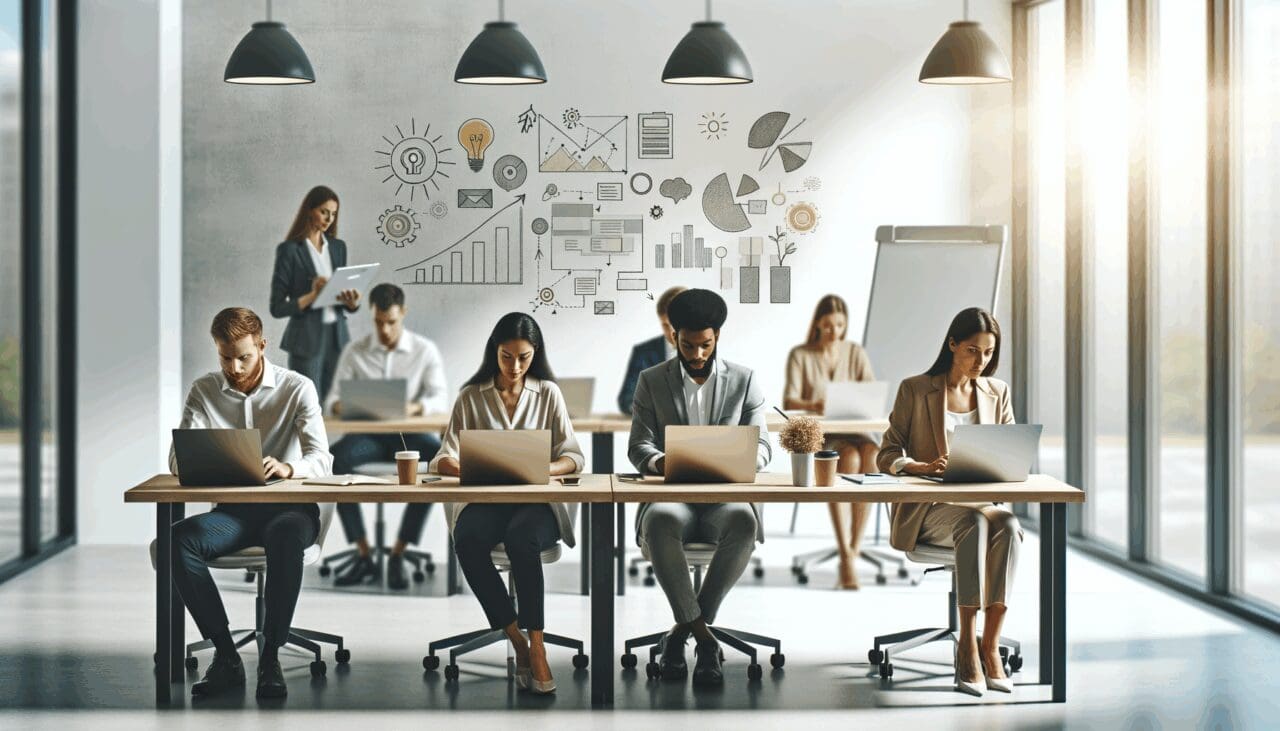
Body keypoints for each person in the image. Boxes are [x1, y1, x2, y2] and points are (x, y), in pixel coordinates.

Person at [167, 307, 333, 699]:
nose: (235, 367)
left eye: (244, 356)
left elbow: (323, 459)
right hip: (234, 514)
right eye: (225, 357)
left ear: (262, 346)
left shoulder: (297, 387)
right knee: (178, 539)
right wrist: (209, 457)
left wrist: (289, 467)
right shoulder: (204, 390)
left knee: (285, 538)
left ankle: (271, 656)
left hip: (290, 509)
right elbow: (177, 462)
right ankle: (226, 655)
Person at [429, 312, 584, 695]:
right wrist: (469, 466)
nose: (515, 367)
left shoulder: (548, 393)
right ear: (493, 352)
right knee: (467, 539)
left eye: (524, 357)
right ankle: (516, 637)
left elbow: (574, 456)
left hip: (535, 503)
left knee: (522, 540)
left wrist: (545, 467)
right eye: (506, 356)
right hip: (486, 500)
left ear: (536, 354)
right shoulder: (471, 396)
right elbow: (441, 458)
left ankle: (539, 644)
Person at [627, 288, 771, 686]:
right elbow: (638, 447)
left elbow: (763, 445)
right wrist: (662, 462)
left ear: (717, 337)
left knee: (744, 522)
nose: (696, 355)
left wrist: (745, 461)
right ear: (674, 337)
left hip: (724, 498)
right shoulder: (651, 380)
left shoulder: (745, 380)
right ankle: (705, 640)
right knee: (658, 521)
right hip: (673, 496)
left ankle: (681, 633)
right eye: (688, 345)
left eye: (705, 345)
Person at [876, 307, 1021, 697]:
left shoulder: (998, 392)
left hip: (984, 506)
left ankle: (991, 645)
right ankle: (966, 646)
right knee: (973, 523)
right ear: (952, 344)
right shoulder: (916, 388)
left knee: (1009, 525)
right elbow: (886, 453)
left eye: (989, 353)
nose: (981, 361)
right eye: (973, 351)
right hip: (931, 510)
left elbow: (1009, 453)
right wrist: (919, 464)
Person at [325, 283, 448, 590]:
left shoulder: (424, 350)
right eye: (379, 322)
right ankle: (363, 552)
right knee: (335, 461)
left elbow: (440, 399)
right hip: (369, 437)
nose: (385, 329)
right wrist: (347, 404)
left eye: (391, 322)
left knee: (441, 463)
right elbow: (332, 402)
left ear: (403, 314)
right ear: (372, 316)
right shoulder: (355, 352)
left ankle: (399, 550)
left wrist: (414, 406)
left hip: (410, 437)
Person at [782, 294, 880, 589]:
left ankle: (855, 545)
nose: (834, 332)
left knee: (872, 455)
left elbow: (871, 392)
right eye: (827, 326)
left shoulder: (854, 352)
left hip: (855, 425)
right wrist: (815, 406)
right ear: (817, 324)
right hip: (825, 432)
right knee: (847, 458)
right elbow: (789, 398)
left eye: (839, 325)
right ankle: (845, 553)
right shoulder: (801, 354)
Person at [269, 185, 361, 403]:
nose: (329, 218)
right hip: (306, 339)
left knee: (334, 405)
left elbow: (338, 295)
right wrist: (312, 295)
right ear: (309, 210)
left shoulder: (338, 247)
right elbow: (277, 307)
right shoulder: (289, 250)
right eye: (324, 211)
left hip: (337, 338)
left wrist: (351, 303)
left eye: (334, 213)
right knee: (308, 407)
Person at [617, 286, 686, 414]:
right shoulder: (643, 353)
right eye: (665, 325)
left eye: (675, 324)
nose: (671, 332)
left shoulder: (704, 351)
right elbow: (626, 400)